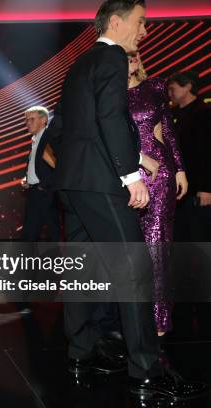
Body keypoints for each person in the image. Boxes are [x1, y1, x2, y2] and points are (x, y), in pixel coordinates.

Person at [52, 0, 207, 401]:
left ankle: (79, 354)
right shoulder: (112, 58)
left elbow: (70, 127)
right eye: (140, 23)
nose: (145, 31)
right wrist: (131, 174)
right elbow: (111, 119)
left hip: (73, 181)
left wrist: (128, 162)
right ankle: (147, 372)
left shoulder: (79, 64)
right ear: (117, 22)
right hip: (102, 182)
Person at [126, 54, 187, 336]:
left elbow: (167, 132)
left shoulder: (156, 87)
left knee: (157, 241)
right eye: (125, 55)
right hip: (126, 177)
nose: (132, 59)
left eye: (134, 54)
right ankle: (133, 316)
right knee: (132, 246)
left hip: (158, 174)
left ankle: (159, 318)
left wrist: (179, 170)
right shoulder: (109, 92)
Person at [167, 71, 211, 241]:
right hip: (181, 190)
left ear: (188, 86)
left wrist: (206, 188)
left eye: (173, 88)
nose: (170, 93)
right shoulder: (173, 115)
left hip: (198, 189)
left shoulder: (204, 113)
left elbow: (207, 152)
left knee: (201, 236)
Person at [21, 105, 60, 242]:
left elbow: (60, 165)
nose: (28, 123)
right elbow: (39, 166)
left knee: (54, 233)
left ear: (44, 120)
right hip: (34, 193)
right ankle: (28, 263)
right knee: (29, 234)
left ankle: (63, 262)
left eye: (32, 119)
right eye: (26, 120)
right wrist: (28, 180)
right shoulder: (35, 140)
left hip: (46, 193)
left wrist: (45, 185)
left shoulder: (50, 137)